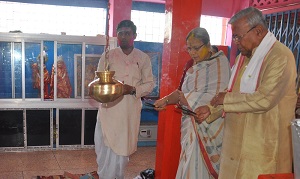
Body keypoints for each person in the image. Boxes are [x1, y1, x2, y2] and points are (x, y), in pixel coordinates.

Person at [195, 7, 297, 178]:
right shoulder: (244, 56)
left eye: (238, 36)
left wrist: (225, 100)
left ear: (258, 31)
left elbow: (264, 100)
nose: (235, 41)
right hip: (235, 143)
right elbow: (232, 91)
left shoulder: (280, 56)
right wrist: (211, 109)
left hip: (262, 143)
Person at [153, 27, 231, 178]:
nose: (192, 52)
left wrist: (180, 98)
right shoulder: (191, 65)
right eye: (189, 48)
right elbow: (184, 94)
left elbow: (218, 97)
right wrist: (165, 100)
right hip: (192, 126)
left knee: (198, 168)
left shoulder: (221, 65)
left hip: (209, 126)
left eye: (196, 48)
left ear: (208, 45)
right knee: (189, 162)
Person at [94, 20, 154, 179]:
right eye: (120, 33)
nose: (124, 36)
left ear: (134, 35)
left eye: (127, 33)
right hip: (109, 109)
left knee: (123, 149)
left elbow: (149, 84)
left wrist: (133, 89)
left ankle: (117, 176)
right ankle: (105, 176)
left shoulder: (142, 58)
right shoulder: (108, 56)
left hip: (129, 110)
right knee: (104, 147)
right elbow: (98, 80)